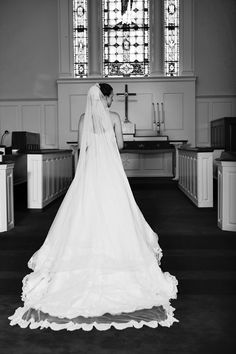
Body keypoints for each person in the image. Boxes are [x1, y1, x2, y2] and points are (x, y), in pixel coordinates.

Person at [9, 83, 178, 331]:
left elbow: (82, 145)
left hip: (89, 172)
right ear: (107, 97)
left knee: (84, 213)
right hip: (110, 172)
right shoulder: (115, 117)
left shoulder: (82, 117)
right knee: (115, 211)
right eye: (111, 98)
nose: (111, 101)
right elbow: (120, 146)